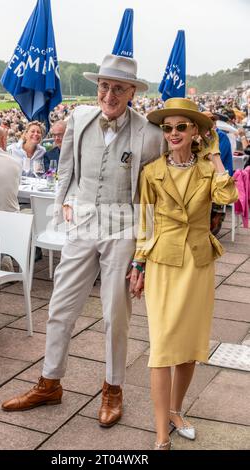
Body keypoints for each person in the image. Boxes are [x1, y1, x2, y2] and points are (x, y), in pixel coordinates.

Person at [1, 54, 163, 427]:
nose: (109, 94)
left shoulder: (149, 135)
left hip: (123, 228)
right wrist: (65, 204)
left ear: (132, 92)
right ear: (98, 88)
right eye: (104, 86)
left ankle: (112, 388)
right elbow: (67, 172)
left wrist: (144, 252)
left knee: (115, 314)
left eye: (118, 88)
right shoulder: (78, 119)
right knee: (60, 307)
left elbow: (151, 194)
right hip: (83, 226)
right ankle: (49, 382)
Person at [128, 98, 238, 450]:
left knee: (189, 348)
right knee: (161, 347)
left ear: (194, 132)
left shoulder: (207, 171)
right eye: (168, 128)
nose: (173, 133)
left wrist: (215, 153)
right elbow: (144, 223)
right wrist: (138, 264)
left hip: (198, 264)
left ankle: (176, 412)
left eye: (181, 127)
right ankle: (162, 435)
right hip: (162, 262)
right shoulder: (151, 172)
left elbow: (229, 194)